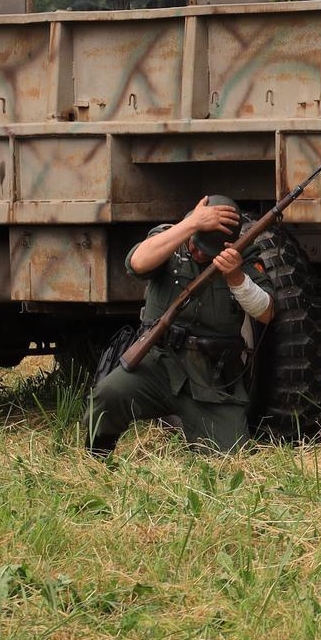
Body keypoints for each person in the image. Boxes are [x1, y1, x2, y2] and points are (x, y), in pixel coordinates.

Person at [85, 195, 277, 456]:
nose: (197, 252)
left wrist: (236, 277)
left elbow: (265, 312)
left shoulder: (242, 256)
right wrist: (191, 225)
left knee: (232, 456)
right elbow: (137, 263)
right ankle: (97, 456)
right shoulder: (170, 237)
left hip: (209, 377)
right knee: (108, 395)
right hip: (157, 363)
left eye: (206, 251)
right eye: (195, 244)